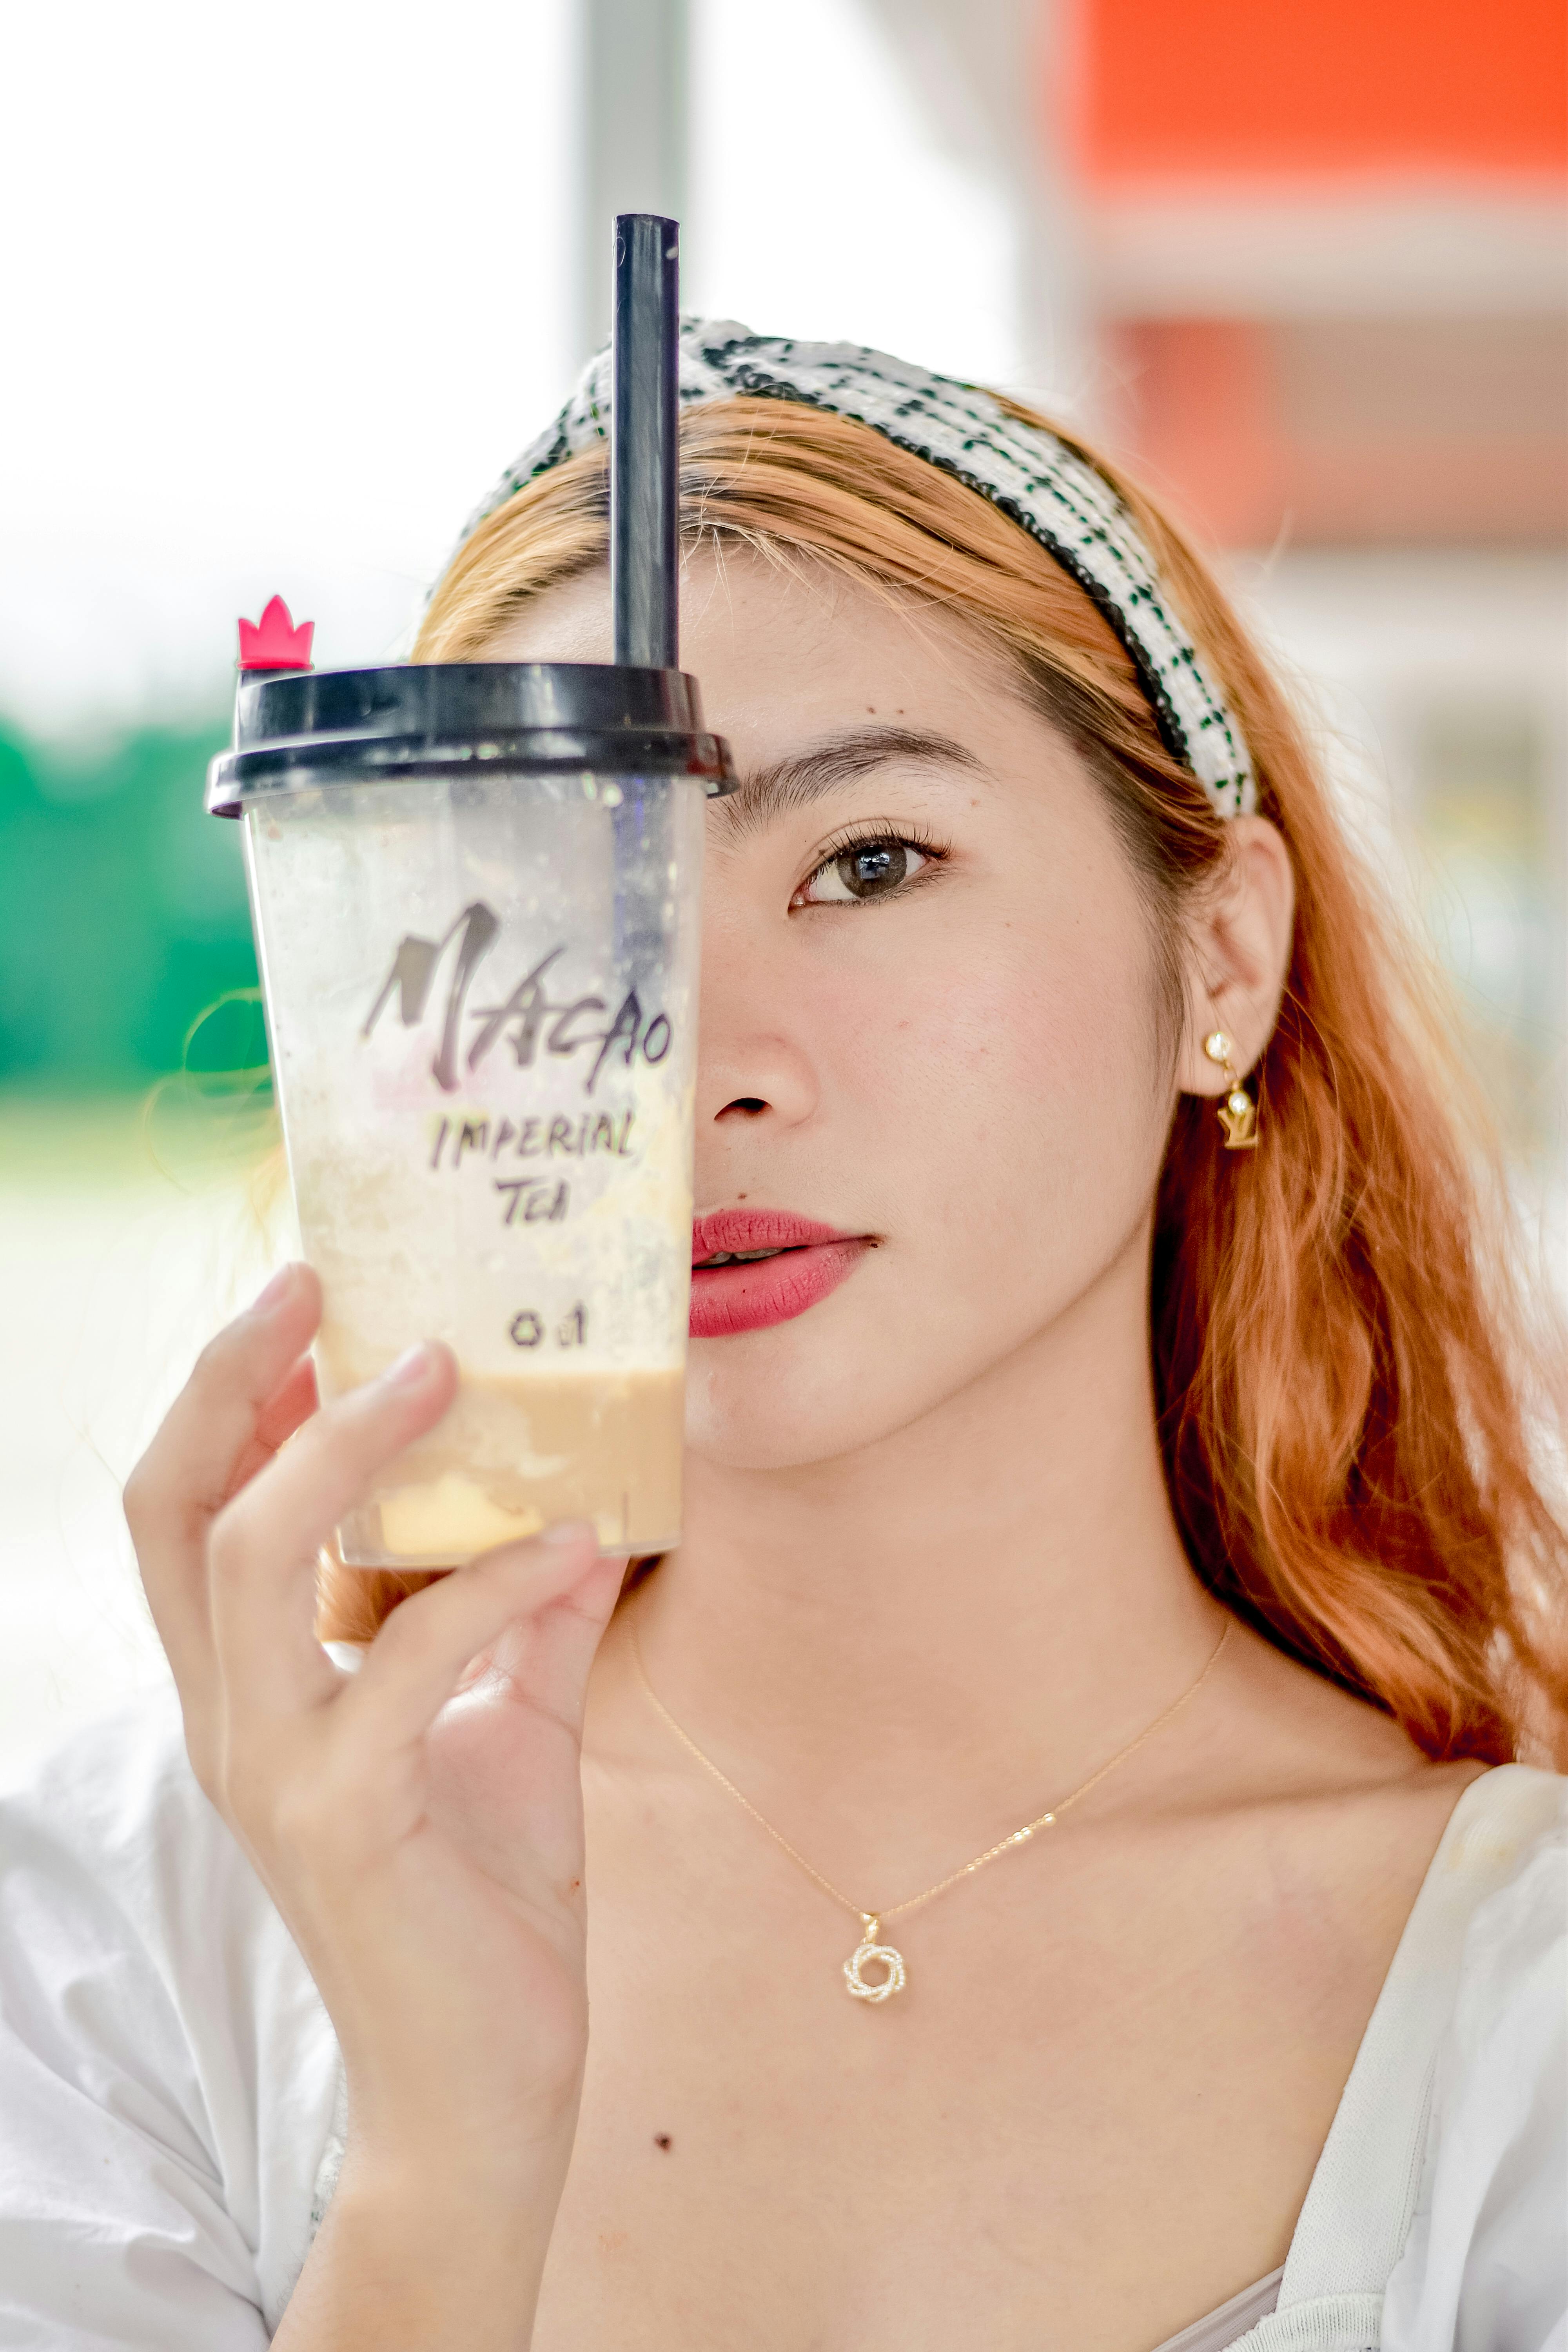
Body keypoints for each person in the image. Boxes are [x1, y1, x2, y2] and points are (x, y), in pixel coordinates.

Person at [2, 327, 1564, 2352]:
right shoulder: (142, 1945)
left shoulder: (1517, 2012)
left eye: (869, 863)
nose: (698, 1063)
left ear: (1224, 956)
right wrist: (442, 2172)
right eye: (577, 915)